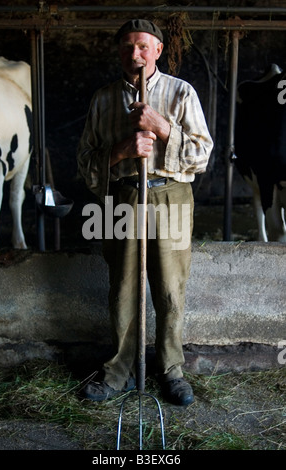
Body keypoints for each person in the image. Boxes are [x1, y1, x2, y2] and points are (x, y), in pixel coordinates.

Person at [77, 19, 213, 406]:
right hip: (122, 197)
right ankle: (119, 371)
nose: (133, 54)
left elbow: (202, 155)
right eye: (126, 47)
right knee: (122, 288)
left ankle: (171, 370)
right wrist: (120, 151)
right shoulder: (103, 99)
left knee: (170, 288)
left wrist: (162, 128)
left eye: (142, 46)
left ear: (157, 50)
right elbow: (85, 164)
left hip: (170, 196)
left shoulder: (181, 93)